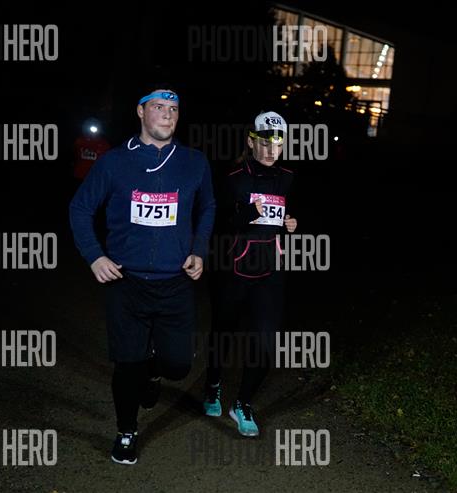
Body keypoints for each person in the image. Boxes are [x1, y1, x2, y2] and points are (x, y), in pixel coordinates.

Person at [69, 85, 216, 465]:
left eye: (174, 109)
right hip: (126, 282)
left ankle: (154, 370)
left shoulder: (194, 162)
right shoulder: (114, 162)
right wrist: (94, 256)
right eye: (159, 107)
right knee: (127, 364)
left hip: (175, 283)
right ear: (140, 112)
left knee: (178, 366)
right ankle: (126, 431)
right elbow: (80, 208)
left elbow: (208, 206)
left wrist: (199, 249)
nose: (167, 114)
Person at [203, 111, 297, 437]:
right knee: (224, 332)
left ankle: (242, 403)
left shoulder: (288, 177)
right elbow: (216, 223)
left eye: (278, 143)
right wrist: (242, 215)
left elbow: (290, 213)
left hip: (271, 270)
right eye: (265, 142)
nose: (271, 150)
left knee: (267, 343)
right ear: (251, 142)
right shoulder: (232, 177)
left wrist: (293, 222)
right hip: (233, 269)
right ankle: (213, 383)